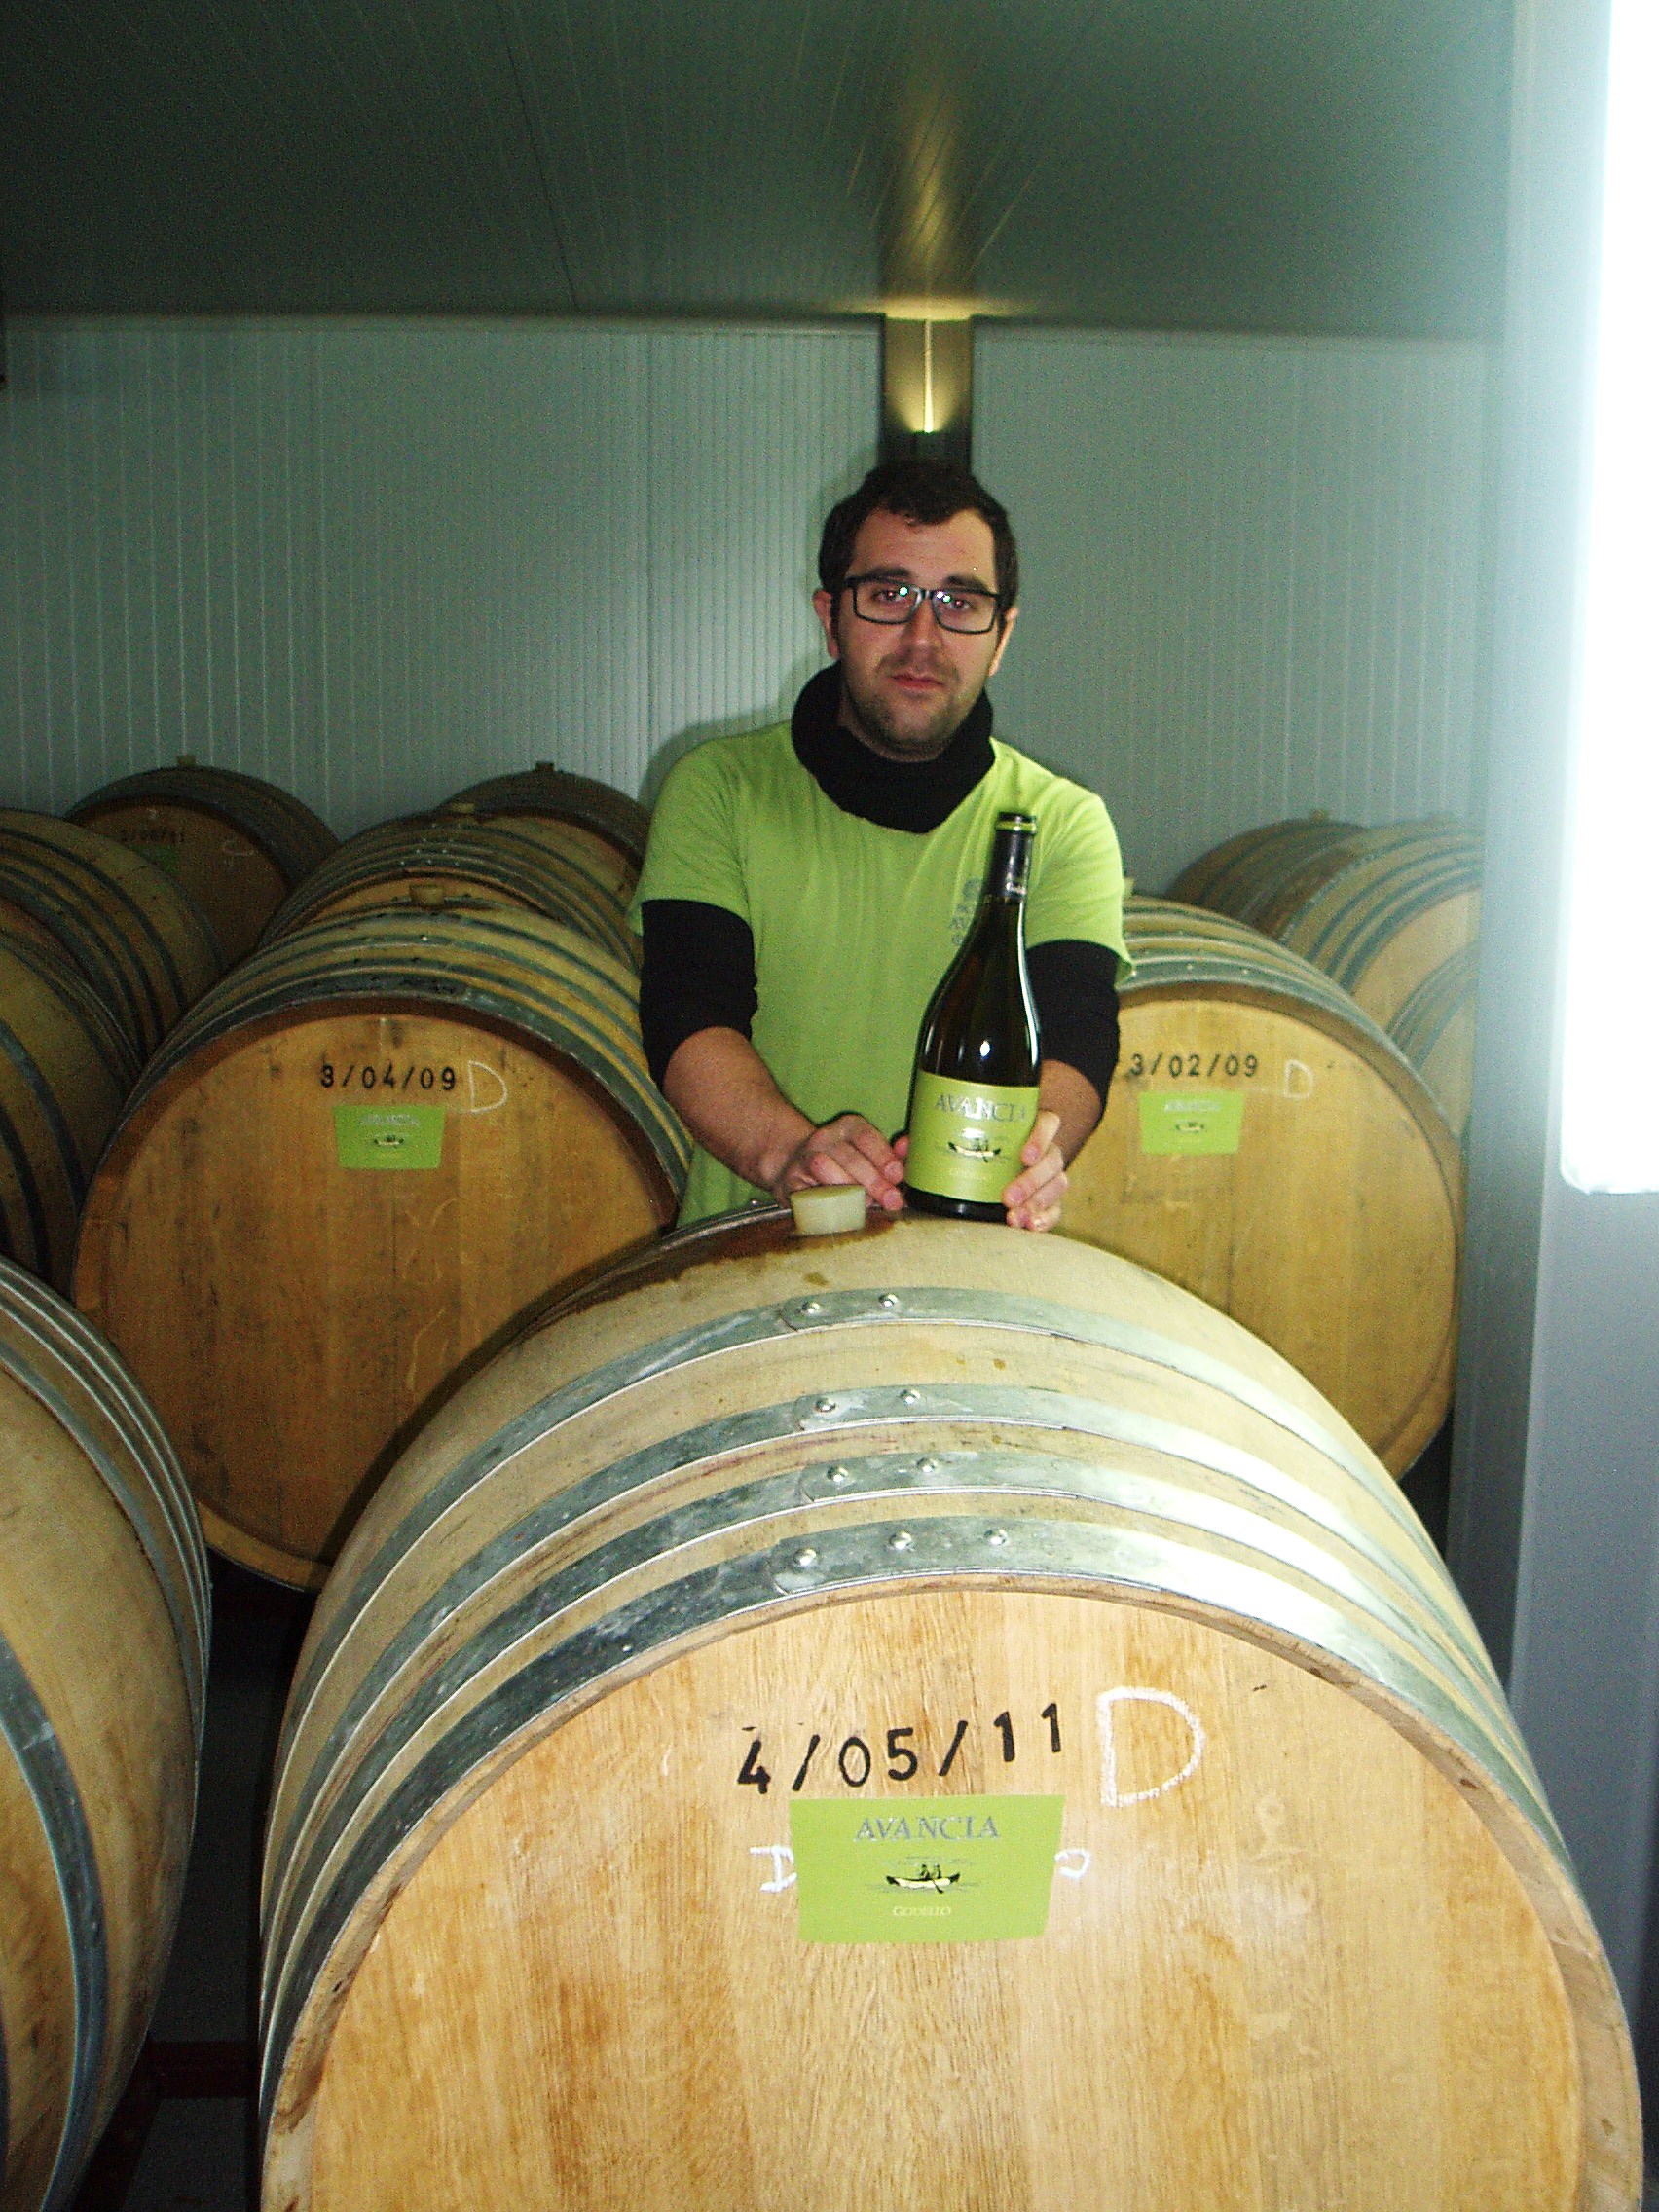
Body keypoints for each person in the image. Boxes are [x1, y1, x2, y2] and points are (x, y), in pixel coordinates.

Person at [631, 457, 1129, 1232]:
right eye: (890, 595)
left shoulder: (1060, 821)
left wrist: (1036, 1152)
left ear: (1001, 636)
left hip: (972, 1260)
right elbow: (689, 1015)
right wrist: (791, 1154)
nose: (923, 638)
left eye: (960, 602)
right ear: (830, 618)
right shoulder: (719, 788)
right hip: (755, 1255)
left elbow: (1077, 1033)